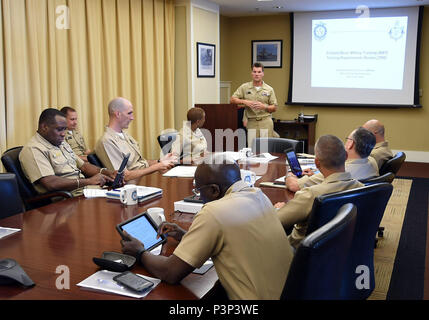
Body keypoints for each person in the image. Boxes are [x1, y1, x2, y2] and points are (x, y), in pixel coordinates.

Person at [120, 156, 294, 300]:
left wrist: (140, 253)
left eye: (198, 189)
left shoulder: (214, 211)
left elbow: (170, 273)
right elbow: (230, 236)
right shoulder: (258, 195)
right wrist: (186, 236)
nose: (198, 195)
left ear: (214, 190)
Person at [275, 135, 364, 248]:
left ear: (317, 163)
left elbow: (276, 222)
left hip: (300, 255)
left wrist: (279, 209)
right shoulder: (362, 188)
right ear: (346, 156)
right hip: (342, 251)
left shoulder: (310, 195)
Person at [19, 108, 116, 196]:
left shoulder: (61, 143)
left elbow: (84, 166)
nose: (63, 134)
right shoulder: (34, 149)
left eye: (65, 129)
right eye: (59, 129)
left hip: (86, 190)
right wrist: (89, 181)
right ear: (44, 127)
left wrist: (107, 173)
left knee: (122, 195)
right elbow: (51, 183)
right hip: (68, 197)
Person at [95, 97, 176, 183]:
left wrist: (159, 161)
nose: (132, 118)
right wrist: (158, 166)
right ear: (118, 114)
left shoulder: (125, 136)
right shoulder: (107, 141)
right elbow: (124, 176)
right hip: (128, 189)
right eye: (129, 113)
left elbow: (139, 164)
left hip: (140, 182)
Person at [286, 127, 378, 192]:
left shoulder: (337, 170)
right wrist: (315, 176)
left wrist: (289, 174)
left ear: (351, 144)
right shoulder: (373, 163)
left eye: (347, 139)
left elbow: (294, 186)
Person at [230, 62, 278, 147]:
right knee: (252, 148)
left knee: (265, 149)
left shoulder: (269, 89)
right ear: (251, 73)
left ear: (263, 73)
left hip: (265, 121)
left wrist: (264, 106)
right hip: (251, 122)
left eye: (259, 72)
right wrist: (245, 102)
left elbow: (274, 107)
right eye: (254, 72)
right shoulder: (244, 87)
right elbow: (232, 100)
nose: (257, 74)